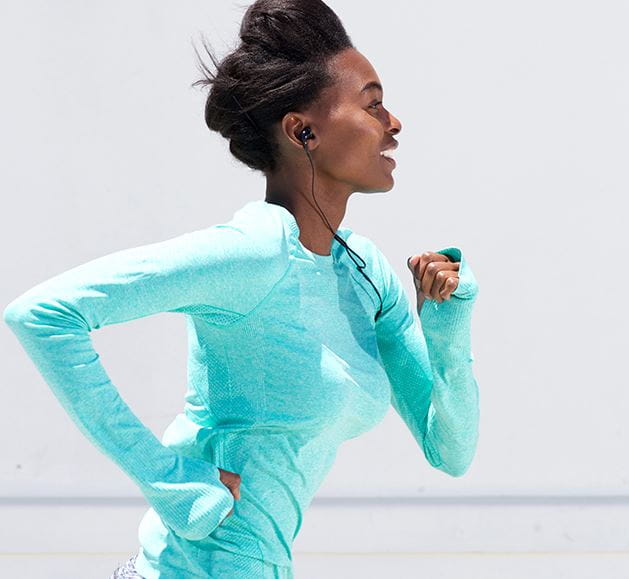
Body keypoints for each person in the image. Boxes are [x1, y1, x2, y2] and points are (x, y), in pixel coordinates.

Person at [3, 1, 480, 577]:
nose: (394, 123)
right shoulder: (252, 252)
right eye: (372, 104)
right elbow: (43, 315)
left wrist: (447, 324)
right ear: (303, 131)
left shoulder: (363, 271)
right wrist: (172, 482)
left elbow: (449, 451)